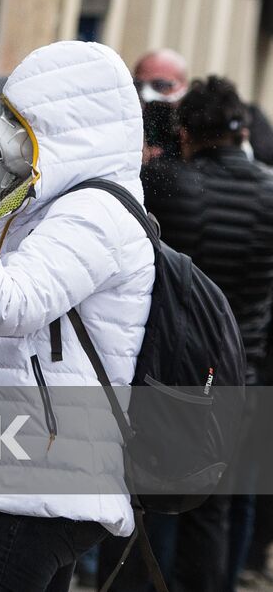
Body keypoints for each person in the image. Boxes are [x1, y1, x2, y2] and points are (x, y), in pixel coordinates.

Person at [0, 41, 155, 592]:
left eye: (23, 121)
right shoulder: (71, 203)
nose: (6, 135)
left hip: (37, 479)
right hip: (36, 473)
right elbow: (11, 272)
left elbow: (6, 303)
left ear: (69, 126)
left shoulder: (93, 214)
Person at [114, 76, 273, 592]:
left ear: (185, 131)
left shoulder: (169, 183)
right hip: (241, 369)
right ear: (241, 130)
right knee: (215, 509)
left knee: (149, 499)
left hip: (169, 367)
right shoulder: (270, 192)